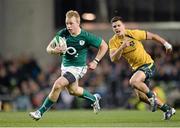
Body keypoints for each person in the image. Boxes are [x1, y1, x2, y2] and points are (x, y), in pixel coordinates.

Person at [29, 10, 108, 120]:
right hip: (65, 67)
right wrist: (55, 51)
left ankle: (40, 112)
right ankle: (94, 99)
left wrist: (95, 61)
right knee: (73, 91)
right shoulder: (62, 33)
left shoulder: (86, 36)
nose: (69, 26)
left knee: (58, 84)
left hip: (77, 68)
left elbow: (104, 46)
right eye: (67, 23)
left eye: (71, 23)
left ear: (78, 22)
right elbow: (48, 48)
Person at [108, 16, 176, 120]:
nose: (117, 28)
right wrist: (121, 47)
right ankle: (168, 109)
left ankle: (152, 95)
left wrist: (166, 44)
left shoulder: (132, 33)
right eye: (114, 26)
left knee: (133, 81)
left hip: (147, 64)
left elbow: (153, 36)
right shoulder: (113, 41)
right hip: (137, 69)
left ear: (123, 26)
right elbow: (113, 58)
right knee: (141, 98)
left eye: (118, 25)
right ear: (112, 28)